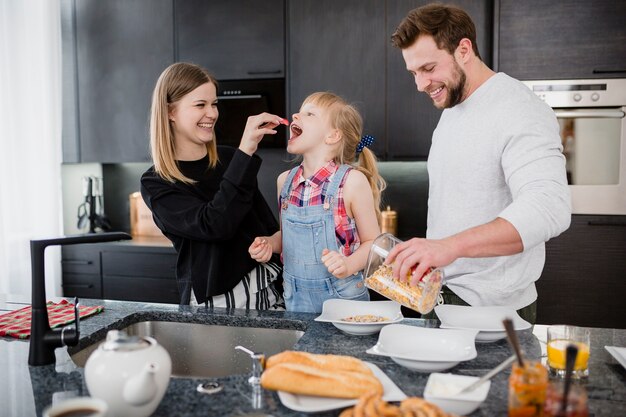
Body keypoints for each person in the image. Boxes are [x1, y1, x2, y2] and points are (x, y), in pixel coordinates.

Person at [386, 4, 572, 324]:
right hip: (445, 295)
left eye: (428, 68)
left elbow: (549, 207)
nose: (420, 83)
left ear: (464, 49)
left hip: (492, 311)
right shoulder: (452, 110)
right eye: (414, 72)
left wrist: (450, 246)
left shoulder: (518, 109)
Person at [141, 62, 287, 308]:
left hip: (268, 289)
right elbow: (215, 225)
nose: (212, 113)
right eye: (200, 105)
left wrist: (270, 243)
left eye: (214, 104)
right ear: (170, 112)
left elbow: (269, 227)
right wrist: (246, 151)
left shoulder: (231, 158)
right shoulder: (156, 182)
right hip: (217, 301)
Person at [248, 92, 385, 313]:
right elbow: (287, 238)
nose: (295, 115)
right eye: (299, 111)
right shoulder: (285, 182)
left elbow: (374, 245)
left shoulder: (351, 182)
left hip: (344, 299)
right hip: (295, 299)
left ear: (332, 136)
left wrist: (348, 265)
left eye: (309, 113)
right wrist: (269, 244)